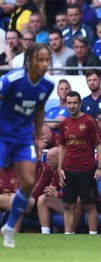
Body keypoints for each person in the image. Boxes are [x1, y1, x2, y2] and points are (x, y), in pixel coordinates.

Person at [0, 43, 54, 248]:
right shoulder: (11, 80)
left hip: (23, 138)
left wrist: (39, 138)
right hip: (3, 135)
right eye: (41, 60)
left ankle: (9, 227)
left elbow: (39, 109)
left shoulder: (47, 86)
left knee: (29, 182)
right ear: (30, 61)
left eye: (47, 60)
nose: (45, 64)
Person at [58, 90, 101, 235]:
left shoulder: (89, 121)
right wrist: (60, 168)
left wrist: (100, 167)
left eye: (74, 103)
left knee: (89, 205)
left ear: (80, 104)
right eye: (69, 103)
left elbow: (99, 145)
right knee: (68, 205)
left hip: (86, 169)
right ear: (65, 104)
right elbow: (62, 146)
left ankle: (92, 236)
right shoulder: (64, 123)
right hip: (68, 170)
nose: (71, 106)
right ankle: (68, 236)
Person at [37, 146, 83, 234]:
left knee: (77, 200)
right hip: (68, 203)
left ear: (58, 160)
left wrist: (57, 194)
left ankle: (71, 233)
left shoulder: (72, 170)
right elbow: (53, 188)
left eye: (49, 160)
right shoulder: (56, 172)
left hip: (86, 206)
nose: (47, 163)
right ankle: (45, 233)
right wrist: (50, 191)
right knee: (42, 199)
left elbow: (78, 194)